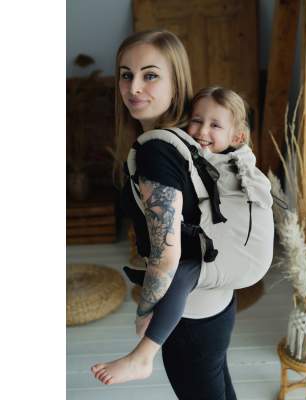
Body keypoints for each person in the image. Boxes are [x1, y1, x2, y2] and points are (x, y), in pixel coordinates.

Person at [90, 30, 239, 400]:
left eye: (150, 75)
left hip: (187, 315)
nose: (134, 87)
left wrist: (147, 312)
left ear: (177, 82)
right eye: (126, 75)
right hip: (216, 300)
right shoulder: (187, 139)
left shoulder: (156, 152)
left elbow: (167, 254)